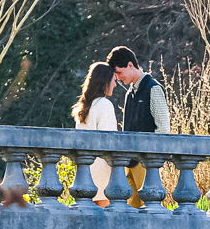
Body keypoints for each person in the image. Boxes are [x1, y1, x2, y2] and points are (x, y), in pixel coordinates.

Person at [105, 46, 168, 206]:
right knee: (131, 209)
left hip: (146, 162)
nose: (118, 78)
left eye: (119, 72)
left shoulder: (153, 88)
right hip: (130, 162)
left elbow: (163, 129)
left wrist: (152, 158)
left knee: (149, 207)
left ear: (130, 65)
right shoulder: (129, 93)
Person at [72, 61, 117, 205]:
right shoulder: (104, 105)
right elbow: (110, 141)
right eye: (114, 80)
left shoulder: (83, 108)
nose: (115, 85)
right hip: (102, 172)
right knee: (104, 221)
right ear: (105, 82)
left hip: (85, 171)